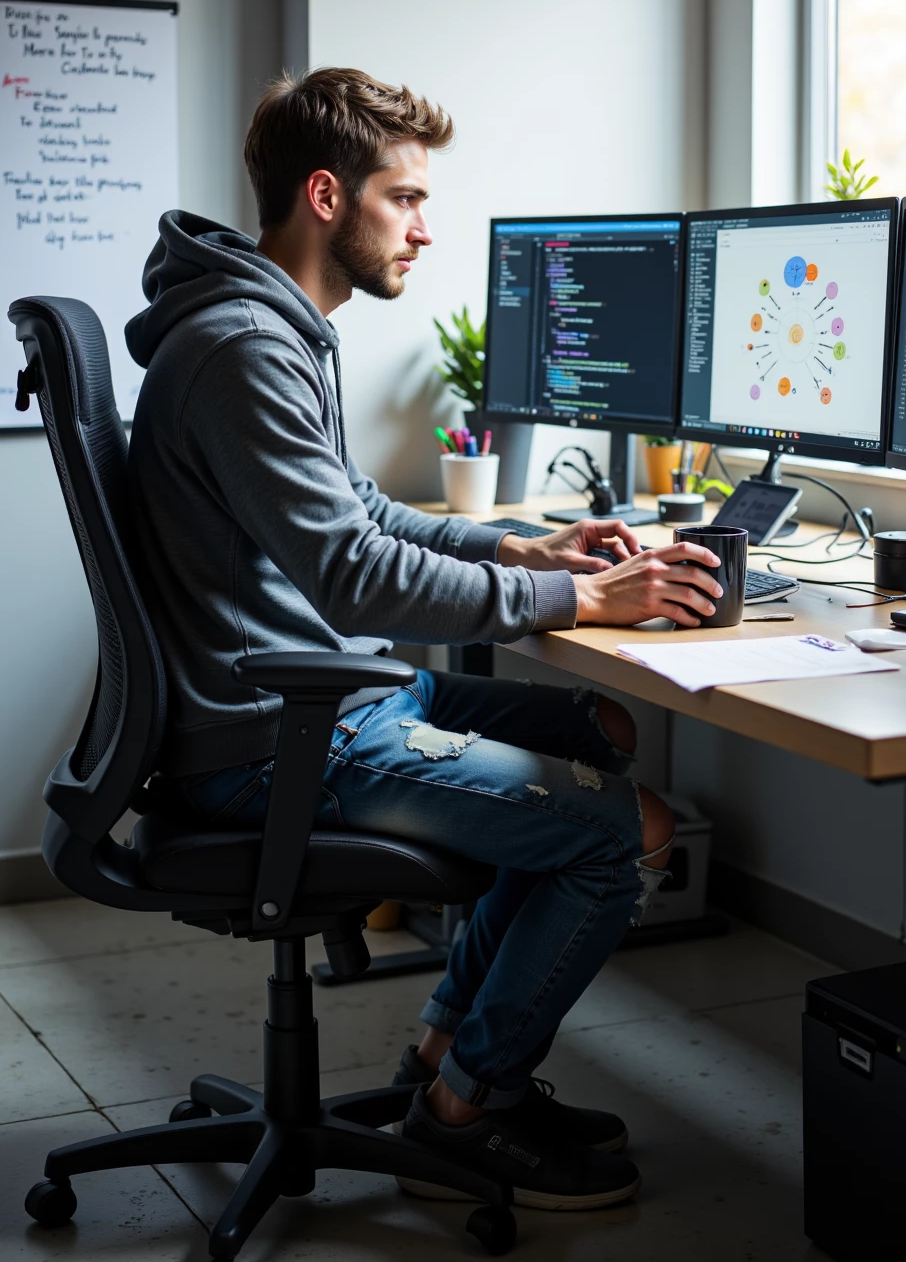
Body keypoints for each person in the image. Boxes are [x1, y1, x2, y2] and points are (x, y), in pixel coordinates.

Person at [125, 68, 723, 1211]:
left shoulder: (268, 326)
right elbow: (350, 574)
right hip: (274, 744)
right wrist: (587, 605)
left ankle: (445, 1058)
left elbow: (357, 515)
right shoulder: (247, 347)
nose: (425, 228)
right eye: (404, 199)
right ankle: (466, 1118)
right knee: (617, 831)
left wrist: (526, 558)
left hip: (309, 707)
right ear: (325, 196)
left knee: (598, 729)